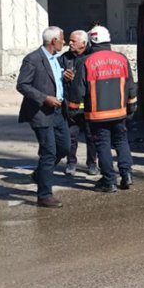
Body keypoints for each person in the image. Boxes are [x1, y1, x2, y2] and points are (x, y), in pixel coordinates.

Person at [68, 26, 137, 193]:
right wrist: (131, 107)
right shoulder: (121, 59)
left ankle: (109, 181)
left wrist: (73, 110)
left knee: (103, 146)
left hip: (97, 115)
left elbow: (78, 91)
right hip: (119, 112)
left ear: (91, 41)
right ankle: (126, 175)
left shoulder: (87, 62)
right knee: (122, 142)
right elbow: (130, 86)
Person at [17, 27, 70, 208]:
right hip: (40, 113)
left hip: (58, 112)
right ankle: (44, 195)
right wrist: (44, 98)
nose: (65, 42)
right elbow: (22, 85)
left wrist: (65, 77)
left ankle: (40, 174)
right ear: (54, 40)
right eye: (62, 38)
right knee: (49, 153)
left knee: (64, 147)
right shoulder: (33, 59)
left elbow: (53, 80)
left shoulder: (56, 59)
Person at [60, 29, 98, 177]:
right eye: (69, 40)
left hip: (89, 104)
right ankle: (71, 163)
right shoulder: (65, 58)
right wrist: (63, 75)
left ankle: (92, 164)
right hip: (71, 105)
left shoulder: (92, 56)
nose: (69, 43)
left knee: (91, 136)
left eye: (73, 41)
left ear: (83, 43)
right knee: (71, 136)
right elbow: (56, 73)